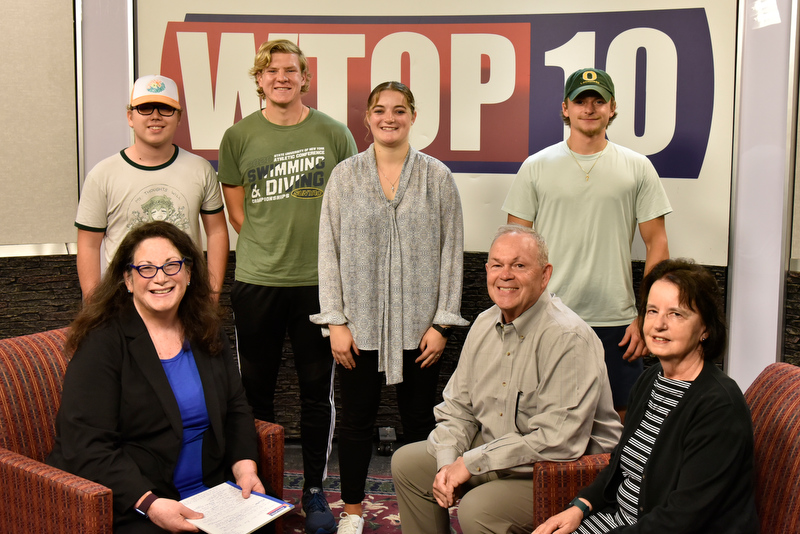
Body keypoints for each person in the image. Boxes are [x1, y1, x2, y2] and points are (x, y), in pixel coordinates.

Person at [310, 81, 469, 534]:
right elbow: (329, 252)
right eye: (380, 110)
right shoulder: (345, 176)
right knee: (357, 422)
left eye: (399, 110)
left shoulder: (436, 176)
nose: (389, 117)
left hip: (421, 330)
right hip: (357, 329)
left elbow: (451, 251)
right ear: (368, 118)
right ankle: (354, 511)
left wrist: (442, 323)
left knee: (420, 422)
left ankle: (421, 512)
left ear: (413, 117)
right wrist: (335, 322)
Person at [391, 225, 622, 534]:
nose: (505, 275)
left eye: (519, 265)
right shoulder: (484, 324)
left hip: (562, 471)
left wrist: (472, 463)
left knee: (479, 510)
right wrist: (448, 464)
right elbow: (458, 409)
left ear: (545, 274)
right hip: (500, 453)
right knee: (408, 463)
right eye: (497, 265)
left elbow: (559, 440)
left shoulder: (568, 338)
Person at [217, 39, 357, 534]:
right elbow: (238, 214)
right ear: (259, 79)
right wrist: (269, 244)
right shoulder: (237, 137)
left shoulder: (334, 133)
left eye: (291, 70)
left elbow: (350, 207)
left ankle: (315, 490)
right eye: (271, 70)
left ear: (304, 78)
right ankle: (263, 492)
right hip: (258, 282)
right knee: (255, 395)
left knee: (318, 394)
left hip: (320, 287)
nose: (281, 77)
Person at [47, 221, 266, 533]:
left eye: (172, 265)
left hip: (214, 488)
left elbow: (236, 407)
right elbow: (86, 444)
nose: (161, 278)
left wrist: (245, 469)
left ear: (189, 273)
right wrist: (149, 503)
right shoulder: (103, 341)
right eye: (146, 268)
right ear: (127, 279)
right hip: (136, 496)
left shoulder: (207, 329)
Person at [532, 259, 759, 534]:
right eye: (652, 311)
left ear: (705, 329)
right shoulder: (651, 379)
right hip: (621, 521)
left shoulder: (719, 406)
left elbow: (681, 519)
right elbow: (620, 463)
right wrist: (580, 506)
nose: (659, 325)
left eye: (676, 314)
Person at [502, 68, 672, 418]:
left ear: (612, 108)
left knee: (619, 427)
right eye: (581, 100)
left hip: (617, 323)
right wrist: (518, 313)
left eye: (599, 100)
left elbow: (657, 244)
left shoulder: (638, 167)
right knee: (543, 421)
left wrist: (645, 315)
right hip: (547, 316)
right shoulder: (536, 167)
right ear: (566, 108)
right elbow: (513, 248)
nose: (590, 108)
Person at [75, 74, 228, 302]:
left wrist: (213, 294)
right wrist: (94, 306)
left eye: (165, 109)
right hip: (123, 302)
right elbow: (88, 245)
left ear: (179, 118)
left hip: (186, 300)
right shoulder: (102, 174)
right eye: (145, 108)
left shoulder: (201, 169)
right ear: (130, 116)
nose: (155, 116)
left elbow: (216, 232)